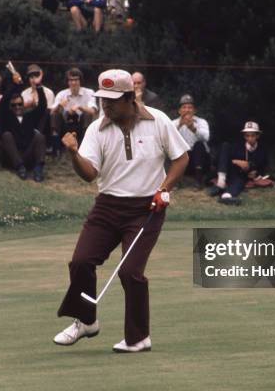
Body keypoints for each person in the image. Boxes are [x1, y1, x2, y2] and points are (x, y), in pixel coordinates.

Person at [53, 69, 189, 353]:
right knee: (80, 261)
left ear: (130, 98)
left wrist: (164, 188)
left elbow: (181, 158)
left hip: (146, 207)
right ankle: (86, 320)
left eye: (113, 100)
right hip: (107, 206)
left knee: (130, 272)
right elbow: (90, 174)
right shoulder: (97, 128)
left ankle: (139, 337)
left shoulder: (158, 120)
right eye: (103, 100)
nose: (106, 105)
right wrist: (73, 154)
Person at [0, 71, 48, 181]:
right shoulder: (6, 116)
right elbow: (3, 102)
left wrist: (38, 86)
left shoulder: (29, 116)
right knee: (6, 135)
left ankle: (39, 168)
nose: (17, 107)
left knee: (39, 136)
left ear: (23, 104)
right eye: (14, 105)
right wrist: (16, 85)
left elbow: (42, 107)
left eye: (20, 104)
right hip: (11, 156)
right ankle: (20, 168)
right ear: (10, 106)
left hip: (27, 154)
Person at [214, 121, 269, 206]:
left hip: (243, 174)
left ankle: (226, 196)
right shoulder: (237, 146)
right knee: (225, 146)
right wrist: (236, 161)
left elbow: (263, 166)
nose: (250, 138)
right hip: (229, 169)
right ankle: (221, 181)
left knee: (239, 181)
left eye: (252, 135)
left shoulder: (262, 150)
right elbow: (222, 158)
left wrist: (255, 173)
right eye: (247, 136)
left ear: (258, 136)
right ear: (244, 136)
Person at [51, 67, 97, 149]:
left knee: (87, 114)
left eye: (76, 80)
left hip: (81, 124)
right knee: (55, 114)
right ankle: (56, 148)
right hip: (65, 124)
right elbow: (51, 113)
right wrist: (60, 106)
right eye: (71, 80)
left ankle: (85, 145)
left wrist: (80, 107)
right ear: (68, 82)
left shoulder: (89, 92)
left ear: (80, 81)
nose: (73, 83)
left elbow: (93, 111)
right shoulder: (62, 94)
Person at [172, 94, 210, 188]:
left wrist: (193, 129)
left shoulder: (201, 122)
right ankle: (176, 180)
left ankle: (198, 181)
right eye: (184, 107)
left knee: (199, 145)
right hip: (184, 161)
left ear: (194, 110)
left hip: (201, 160)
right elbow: (168, 140)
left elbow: (206, 138)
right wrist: (179, 126)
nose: (187, 110)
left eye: (190, 107)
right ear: (179, 111)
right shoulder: (173, 123)